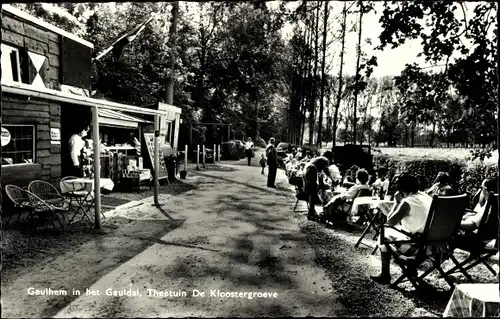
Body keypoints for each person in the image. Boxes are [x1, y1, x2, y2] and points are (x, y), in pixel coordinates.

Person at [371, 174, 433, 284]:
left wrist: (397, 201)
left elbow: (390, 222)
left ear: (400, 188)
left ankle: (385, 275)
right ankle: (411, 270)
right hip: (433, 244)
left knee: (384, 233)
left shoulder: (407, 202)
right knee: (404, 231)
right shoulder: (427, 197)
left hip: (417, 246)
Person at [302, 151, 336, 220]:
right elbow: (326, 171)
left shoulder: (319, 158)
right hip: (311, 171)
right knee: (313, 192)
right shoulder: (325, 159)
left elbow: (321, 174)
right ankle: (310, 214)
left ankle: (312, 211)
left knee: (311, 192)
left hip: (307, 170)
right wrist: (333, 180)